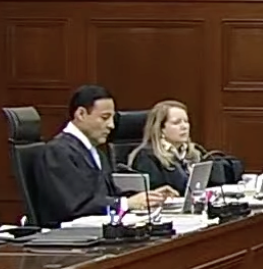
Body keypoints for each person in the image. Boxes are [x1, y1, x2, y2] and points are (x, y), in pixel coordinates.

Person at [35, 85, 176, 227]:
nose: (111, 125)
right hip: (72, 238)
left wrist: (147, 197)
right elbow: (75, 206)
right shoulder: (58, 152)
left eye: (112, 118)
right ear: (81, 114)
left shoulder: (95, 152)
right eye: (105, 118)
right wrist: (127, 203)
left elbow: (109, 195)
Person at [127, 100, 212, 193]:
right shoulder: (147, 156)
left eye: (186, 121)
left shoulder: (196, 152)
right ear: (160, 128)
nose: (184, 126)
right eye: (176, 123)